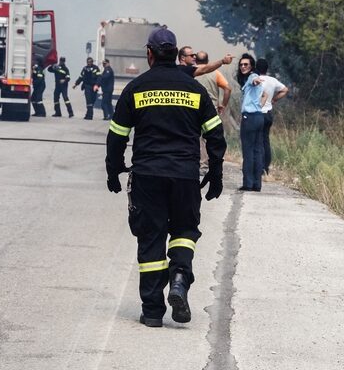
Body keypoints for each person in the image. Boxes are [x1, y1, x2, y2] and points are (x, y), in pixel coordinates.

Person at [105, 27, 227, 328]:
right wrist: (215, 172)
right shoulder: (194, 90)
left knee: (151, 238)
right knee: (185, 230)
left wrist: (113, 169)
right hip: (185, 175)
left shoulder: (136, 87)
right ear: (176, 55)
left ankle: (152, 311)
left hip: (148, 175)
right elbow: (215, 132)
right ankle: (180, 278)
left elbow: (117, 135)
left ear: (149, 54)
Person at [195, 50, 232, 172]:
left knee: (196, 137)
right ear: (207, 60)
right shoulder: (215, 73)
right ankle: (208, 164)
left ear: (195, 60)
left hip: (194, 107)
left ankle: (200, 163)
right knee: (210, 137)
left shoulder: (192, 71)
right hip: (211, 109)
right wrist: (223, 104)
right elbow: (227, 88)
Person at [236, 53, 268, 191]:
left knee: (248, 151)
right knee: (257, 151)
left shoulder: (252, 77)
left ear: (252, 66)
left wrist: (255, 80)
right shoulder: (250, 78)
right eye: (241, 65)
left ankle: (248, 183)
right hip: (259, 116)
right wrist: (259, 105)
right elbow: (265, 94)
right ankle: (257, 183)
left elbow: (254, 80)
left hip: (249, 118)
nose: (243, 67)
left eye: (246, 65)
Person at [255, 58, 288, 176]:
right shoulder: (273, 80)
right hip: (268, 113)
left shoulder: (256, 80)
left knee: (257, 141)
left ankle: (258, 166)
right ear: (267, 68)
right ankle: (266, 167)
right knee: (265, 141)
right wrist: (274, 99)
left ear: (256, 68)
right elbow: (285, 90)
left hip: (257, 113)